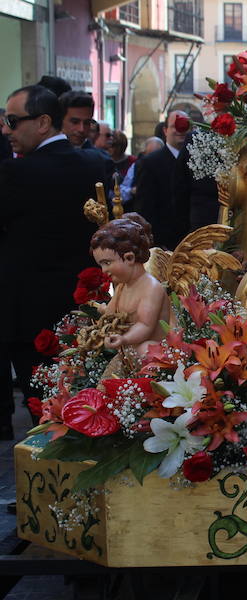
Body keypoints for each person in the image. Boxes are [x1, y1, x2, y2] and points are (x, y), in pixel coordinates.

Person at [0, 85, 105, 438]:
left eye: (12, 121)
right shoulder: (96, 164)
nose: (6, 130)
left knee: (44, 421)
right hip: (87, 312)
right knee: (86, 411)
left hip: (29, 316)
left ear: (43, 122)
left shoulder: (16, 174)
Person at [90, 214, 170, 355]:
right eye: (101, 265)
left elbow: (145, 326)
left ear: (129, 258)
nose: (104, 270)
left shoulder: (151, 288)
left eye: (107, 263)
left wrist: (124, 338)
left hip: (155, 346)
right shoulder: (122, 286)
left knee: (145, 350)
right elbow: (111, 313)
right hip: (131, 345)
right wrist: (102, 313)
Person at [134, 111, 190, 249]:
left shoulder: (199, 160)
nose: (179, 130)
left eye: (184, 126)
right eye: (174, 126)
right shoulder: (150, 163)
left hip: (193, 240)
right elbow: (144, 208)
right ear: (165, 130)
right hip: (163, 244)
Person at [174, 131, 219, 234]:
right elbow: (180, 184)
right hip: (202, 217)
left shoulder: (196, 137)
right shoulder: (196, 138)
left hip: (202, 216)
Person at [121, 136, 164, 206]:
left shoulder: (168, 167)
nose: (153, 159)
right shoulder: (136, 166)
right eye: (150, 155)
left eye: (156, 155)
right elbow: (122, 192)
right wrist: (131, 191)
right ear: (144, 153)